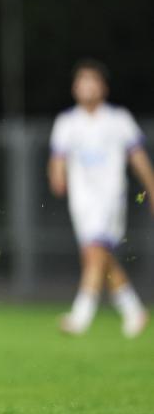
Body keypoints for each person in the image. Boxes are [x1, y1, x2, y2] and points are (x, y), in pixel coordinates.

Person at [49, 59, 153, 338]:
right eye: (82, 80)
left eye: (92, 80)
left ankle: (80, 316)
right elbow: (57, 157)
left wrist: (152, 189)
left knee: (95, 253)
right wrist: (56, 175)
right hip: (81, 202)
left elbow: (138, 158)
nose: (87, 86)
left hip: (110, 198)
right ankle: (133, 309)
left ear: (103, 87)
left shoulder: (119, 120)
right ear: (74, 87)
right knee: (99, 257)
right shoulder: (66, 122)